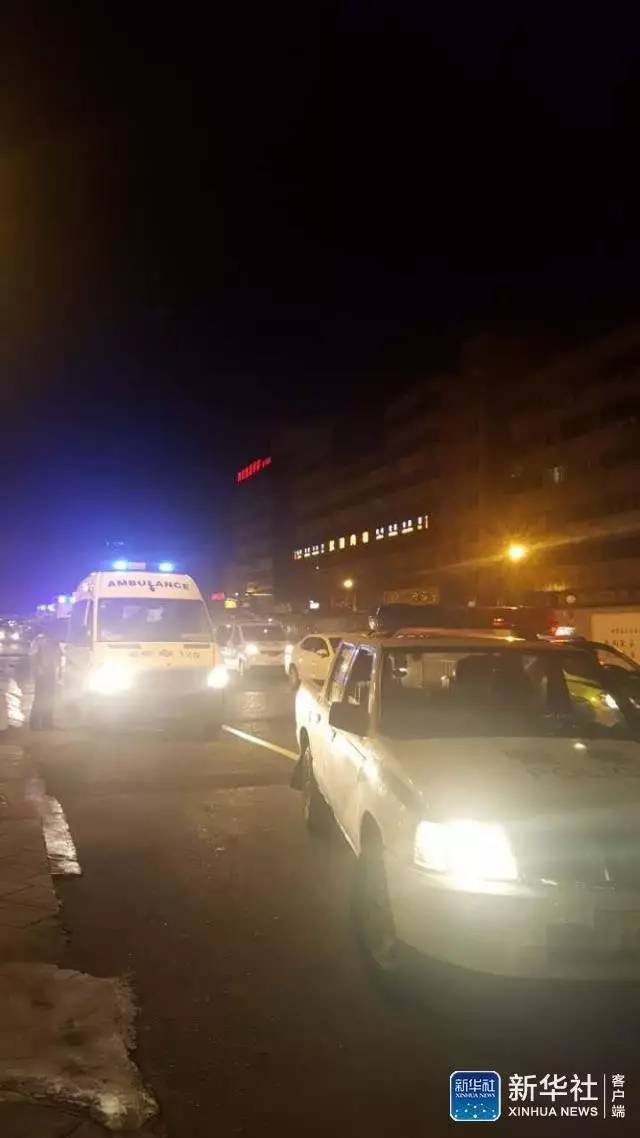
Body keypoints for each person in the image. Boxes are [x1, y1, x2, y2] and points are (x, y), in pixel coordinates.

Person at [30, 628, 60, 730]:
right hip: (42, 675)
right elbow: (33, 657)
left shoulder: (53, 641)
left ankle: (47, 723)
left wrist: (58, 673)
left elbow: (58, 658)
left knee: (49, 698)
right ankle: (35, 724)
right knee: (40, 698)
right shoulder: (39, 640)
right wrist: (38, 670)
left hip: (51, 674)